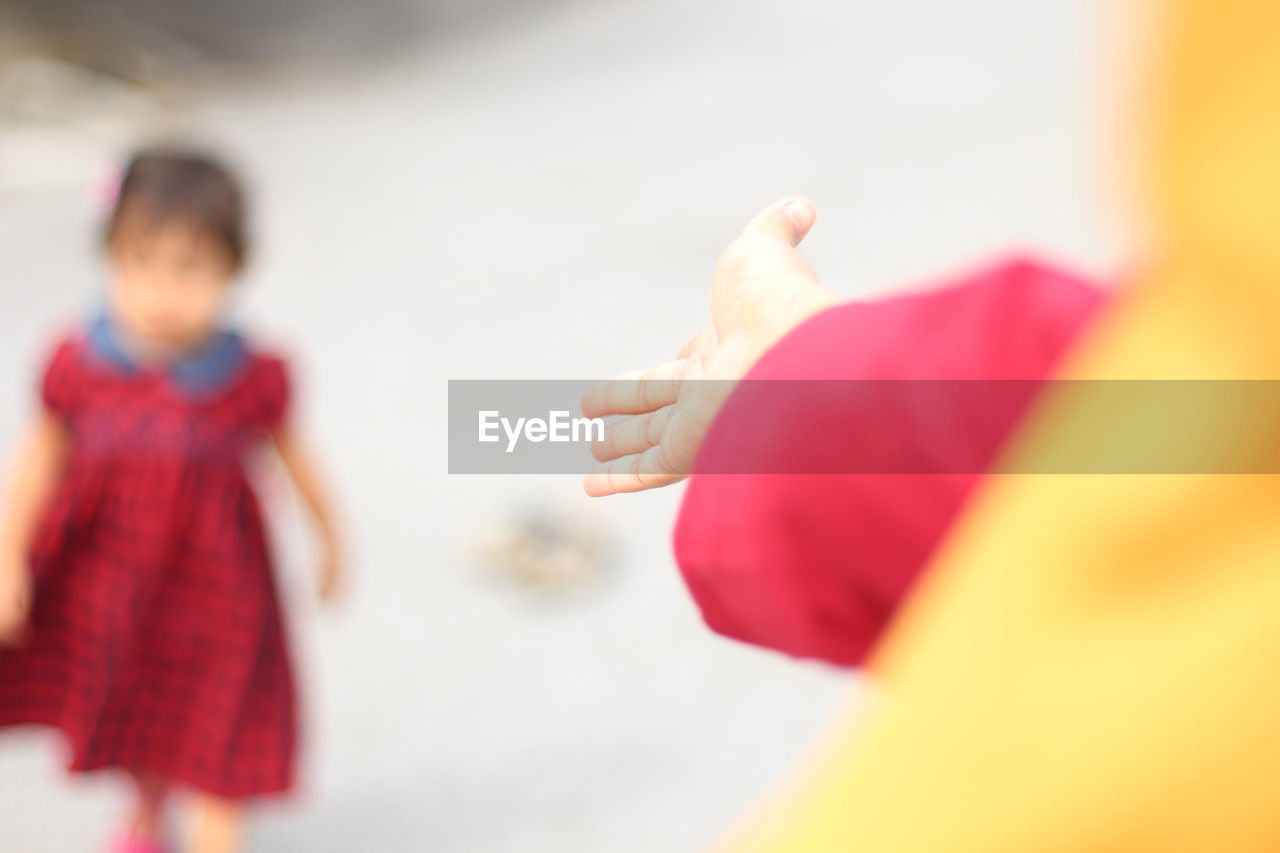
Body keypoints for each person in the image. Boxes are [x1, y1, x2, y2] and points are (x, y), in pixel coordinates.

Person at [0, 149, 344, 853]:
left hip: (222, 608)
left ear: (233, 269)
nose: (161, 293)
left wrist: (332, 537)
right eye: (139, 265)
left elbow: (297, 461)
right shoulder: (79, 365)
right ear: (109, 258)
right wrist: (7, 553)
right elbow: (37, 463)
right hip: (116, 594)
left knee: (220, 761)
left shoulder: (249, 378)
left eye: (188, 270)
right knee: (139, 711)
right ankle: (147, 811)